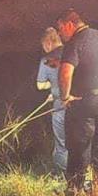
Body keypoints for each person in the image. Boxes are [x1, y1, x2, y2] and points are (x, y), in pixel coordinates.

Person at [55, 9, 98, 192]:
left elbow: (65, 72)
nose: (59, 34)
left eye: (60, 29)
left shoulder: (74, 42)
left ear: (69, 25)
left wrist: (64, 97)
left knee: (79, 145)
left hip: (87, 101)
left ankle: (75, 190)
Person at [35, 27, 67, 173]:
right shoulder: (71, 52)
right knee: (81, 141)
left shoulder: (47, 60)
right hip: (80, 103)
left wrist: (53, 86)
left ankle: (63, 177)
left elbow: (40, 85)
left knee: (61, 144)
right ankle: (86, 176)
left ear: (48, 44)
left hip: (60, 106)